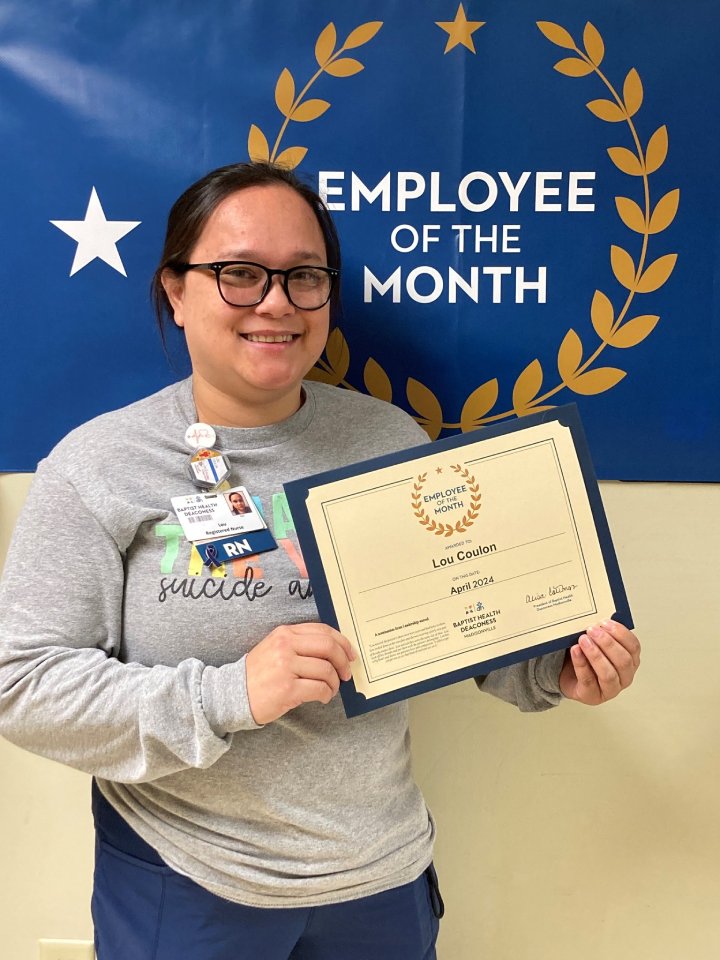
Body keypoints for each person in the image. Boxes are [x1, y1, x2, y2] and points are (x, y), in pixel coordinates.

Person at [0, 161, 640, 960]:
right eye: (239, 274)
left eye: (304, 276)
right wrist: (232, 693)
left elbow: (454, 623)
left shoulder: (388, 441)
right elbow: (23, 686)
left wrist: (553, 668)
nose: (275, 302)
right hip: (191, 882)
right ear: (174, 288)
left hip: (381, 878)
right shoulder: (98, 466)